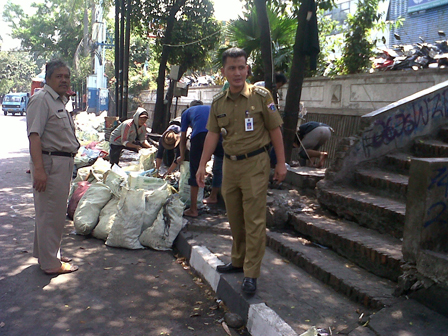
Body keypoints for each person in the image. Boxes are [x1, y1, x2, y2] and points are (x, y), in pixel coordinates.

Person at [196, 47, 287, 294]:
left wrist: (280, 163)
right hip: (230, 165)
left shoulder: (261, 96)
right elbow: (212, 135)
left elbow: (275, 130)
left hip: (256, 163)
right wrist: (202, 164)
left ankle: (251, 273)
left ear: (247, 68)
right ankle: (237, 261)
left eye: (241, 67)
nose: (238, 72)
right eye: (232, 68)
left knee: (254, 219)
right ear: (224, 72)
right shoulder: (218, 102)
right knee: (234, 216)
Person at [27, 60, 80, 275]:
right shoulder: (41, 100)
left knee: (52, 212)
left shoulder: (59, 101)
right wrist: (39, 170)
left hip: (61, 162)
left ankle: (48, 254)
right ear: (48, 79)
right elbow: (34, 136)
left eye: (66, 76)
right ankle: (50, 264)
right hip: (50, 163)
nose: (64, 80)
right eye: (59, 76)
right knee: (51, 213)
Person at [177, 100, 224, 217]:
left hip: (199, 136)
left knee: (195, 171)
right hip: (219, 136)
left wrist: (182, 155)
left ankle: (193, 209)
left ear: (189, 106)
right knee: (220, 166)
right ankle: (214, 197)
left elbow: (182, 138)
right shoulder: (210, 107)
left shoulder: (186, 112)